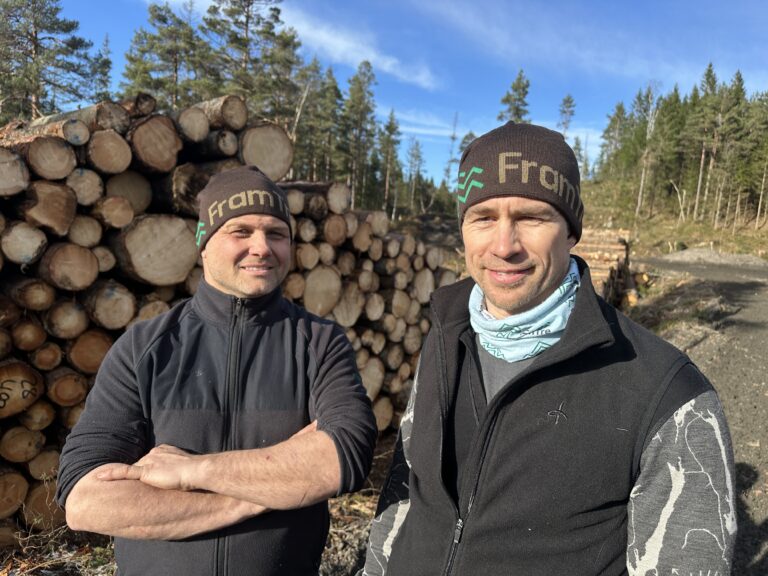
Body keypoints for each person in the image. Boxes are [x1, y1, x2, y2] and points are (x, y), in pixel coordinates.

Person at [360, 123, 737, 576]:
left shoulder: (668, 395)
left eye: (531, 218)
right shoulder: (445, 338)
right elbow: (405, 493)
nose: (504, 246)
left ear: (571, 231)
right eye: (483, 218)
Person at [57, 165, 378, 576]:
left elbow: (343, 457)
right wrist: (269, 488)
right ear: (204, 243)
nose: (261, 247)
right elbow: (85, 500)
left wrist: (191, 472)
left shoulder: (319, 342)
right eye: (240, 231)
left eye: (276, 234)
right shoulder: (145, 348)